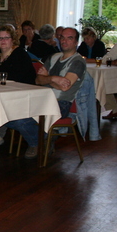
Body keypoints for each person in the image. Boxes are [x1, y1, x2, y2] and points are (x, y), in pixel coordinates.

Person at [19, 27, 86, 159]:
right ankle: (40, 140)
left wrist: (47, 77)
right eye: (62, 37)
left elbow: (65, 87)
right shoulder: (54, 57)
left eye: (69, 38)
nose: (64, 41)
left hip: (62, 103)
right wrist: (54, 79)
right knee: (13, 113)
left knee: (22, 119)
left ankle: (37, 142)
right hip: (42, 99)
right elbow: (38, 80)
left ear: (76, 42)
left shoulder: (78, 62)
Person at [0, 25, 36, 150]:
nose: (3, 41)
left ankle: (37, 142)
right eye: (0, 38)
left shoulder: (20, 54)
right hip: (1, 94)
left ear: (12, 39)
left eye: (6, 38)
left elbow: (17, 77)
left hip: (21, 95)